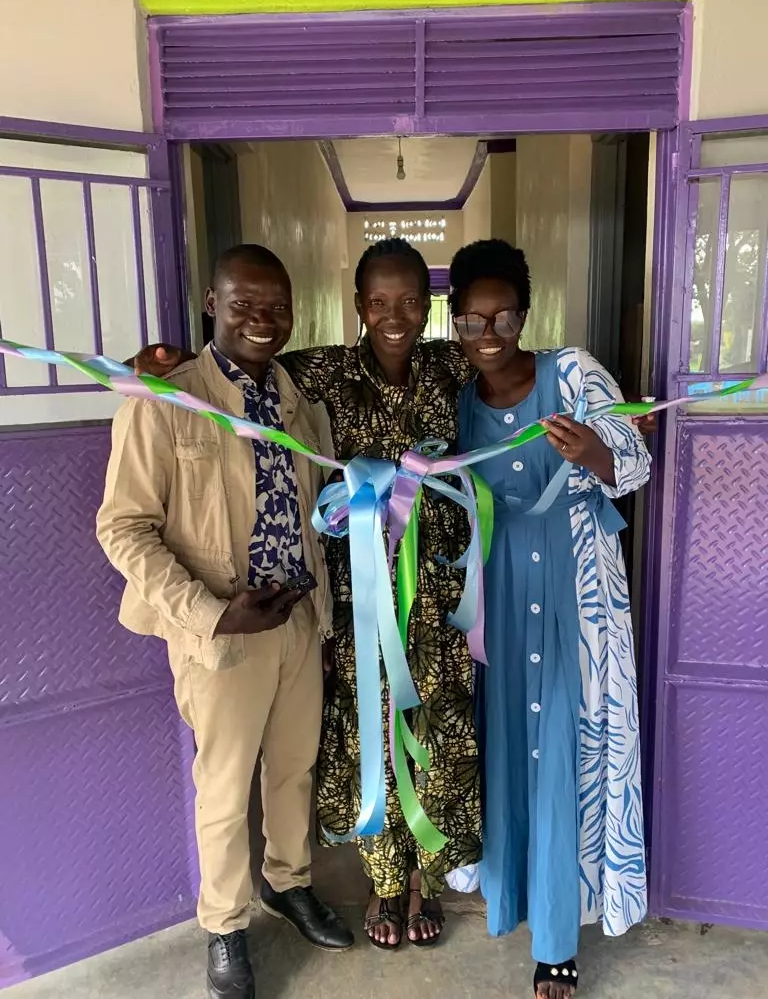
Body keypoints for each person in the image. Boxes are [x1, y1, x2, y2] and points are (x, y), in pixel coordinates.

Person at [132, 238, 483, 951]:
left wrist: (604, 409)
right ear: (357, 307)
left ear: (431, 307)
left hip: (389, 604)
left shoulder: (435, 368)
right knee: (341, 750)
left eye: (411, 301)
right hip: (312, 611)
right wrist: (157, 365)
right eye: (379, 301)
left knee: (402, 746)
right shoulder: (306, 376)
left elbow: (519, 363)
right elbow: (129, 521)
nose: (394, 316)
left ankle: (371, 883)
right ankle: (263, 919)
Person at [98, 244, 354, 999]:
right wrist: (210, 614)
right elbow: (123, 528)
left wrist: (323, 619)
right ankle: (224, 925)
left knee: (294, 769)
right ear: (212, 304)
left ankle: (289, 883)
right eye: (244, 304)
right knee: (223, 784)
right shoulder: (164, 400)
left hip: (297, 622)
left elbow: (314, 517)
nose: (262, 320)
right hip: (220, 634)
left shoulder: (301, 403)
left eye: (277, 307)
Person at [450, 239, 651, 998]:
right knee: (506, 745)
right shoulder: (459, 400)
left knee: (567, 752)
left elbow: (635, 464)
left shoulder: (573, 373)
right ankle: (512, 899)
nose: (489, 333)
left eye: (503, 316)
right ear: (456, 323)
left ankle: (559, 941)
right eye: (473, 320)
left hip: (577, 601)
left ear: (525, 314)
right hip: (495, 600)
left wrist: (597, 453)